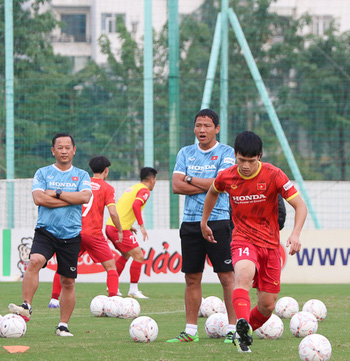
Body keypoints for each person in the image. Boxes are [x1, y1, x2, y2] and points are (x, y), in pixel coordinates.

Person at [201, 131, 307, 353]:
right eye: (241, 160)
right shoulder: (227, 176)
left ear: (259, 156)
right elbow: (212, 193)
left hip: (270, 245)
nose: (246, 166)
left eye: (251, 160)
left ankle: (244, 330)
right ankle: (241, 333)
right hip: (242, 240)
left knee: (268, 305)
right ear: (235, 156)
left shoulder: (274, 175)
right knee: (243, 277)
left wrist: (296, 234)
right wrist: (204, 221)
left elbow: (300, 205)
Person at [9, 133, 92, 337]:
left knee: (68, 281)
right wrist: (70, 199)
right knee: (35, 260)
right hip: (46, 230)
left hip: (71, 234)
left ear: (74, 150)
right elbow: (38, 199)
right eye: (59, 147)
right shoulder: (43, 173)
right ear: (53, 150)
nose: (64, 151)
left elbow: (85, 196)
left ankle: (63, 325)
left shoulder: (82, 175)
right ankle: (26, 305)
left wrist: (55, 193)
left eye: (67, 147)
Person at [167, 108, 237, 344]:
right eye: (198, 125)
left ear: (217, 128)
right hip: (190, 222)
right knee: (192, 278)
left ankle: (232, 328)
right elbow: (176, 186)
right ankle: (190, 331)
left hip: (218, 221)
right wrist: (207, 184)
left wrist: (189, 179)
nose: (201, 130)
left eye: (207, 125)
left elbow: (223, 184)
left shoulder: (227, 152)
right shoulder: (185, 152)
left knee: (227, 277)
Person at [49, 156, 123, 307]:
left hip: (74, 231)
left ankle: (54, 300)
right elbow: (113, 213)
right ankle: (113, 300)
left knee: (63, 266)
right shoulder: (107, 188)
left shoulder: (81, 183)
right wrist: (120, 230)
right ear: (106, 171)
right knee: (111, 267)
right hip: (93, 234)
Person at [105, 167, 158, 299]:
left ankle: (112, 286)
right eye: (155, 180)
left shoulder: (133, 188)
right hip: (118, 229)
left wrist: (129, 226)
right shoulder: (144, 190)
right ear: (151, 180)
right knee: (139, 256)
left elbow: (123, 209)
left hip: (111, 226)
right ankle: (133, 290)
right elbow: (135, 206)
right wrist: (141, 226)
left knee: (126, 254)